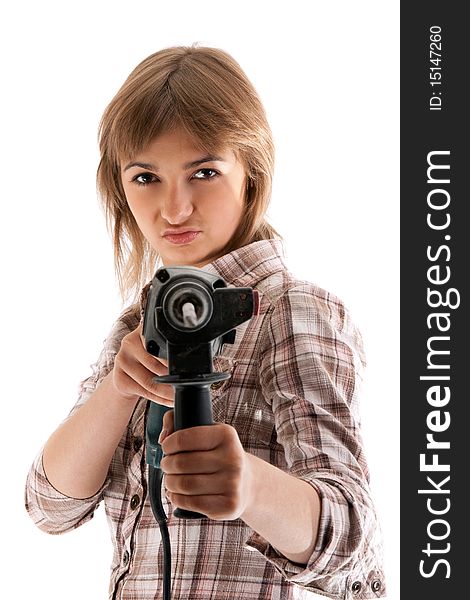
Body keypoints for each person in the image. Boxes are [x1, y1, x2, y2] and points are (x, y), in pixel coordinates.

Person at [25, 45, 386, 599]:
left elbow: (355, 550)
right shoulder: (136, 326)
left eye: (204, 172)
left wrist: (250, 487)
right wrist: (117, 391)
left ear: (251, 172)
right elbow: (49, 507)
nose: (174, 209)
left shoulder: (289, 309)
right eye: (146, 177)